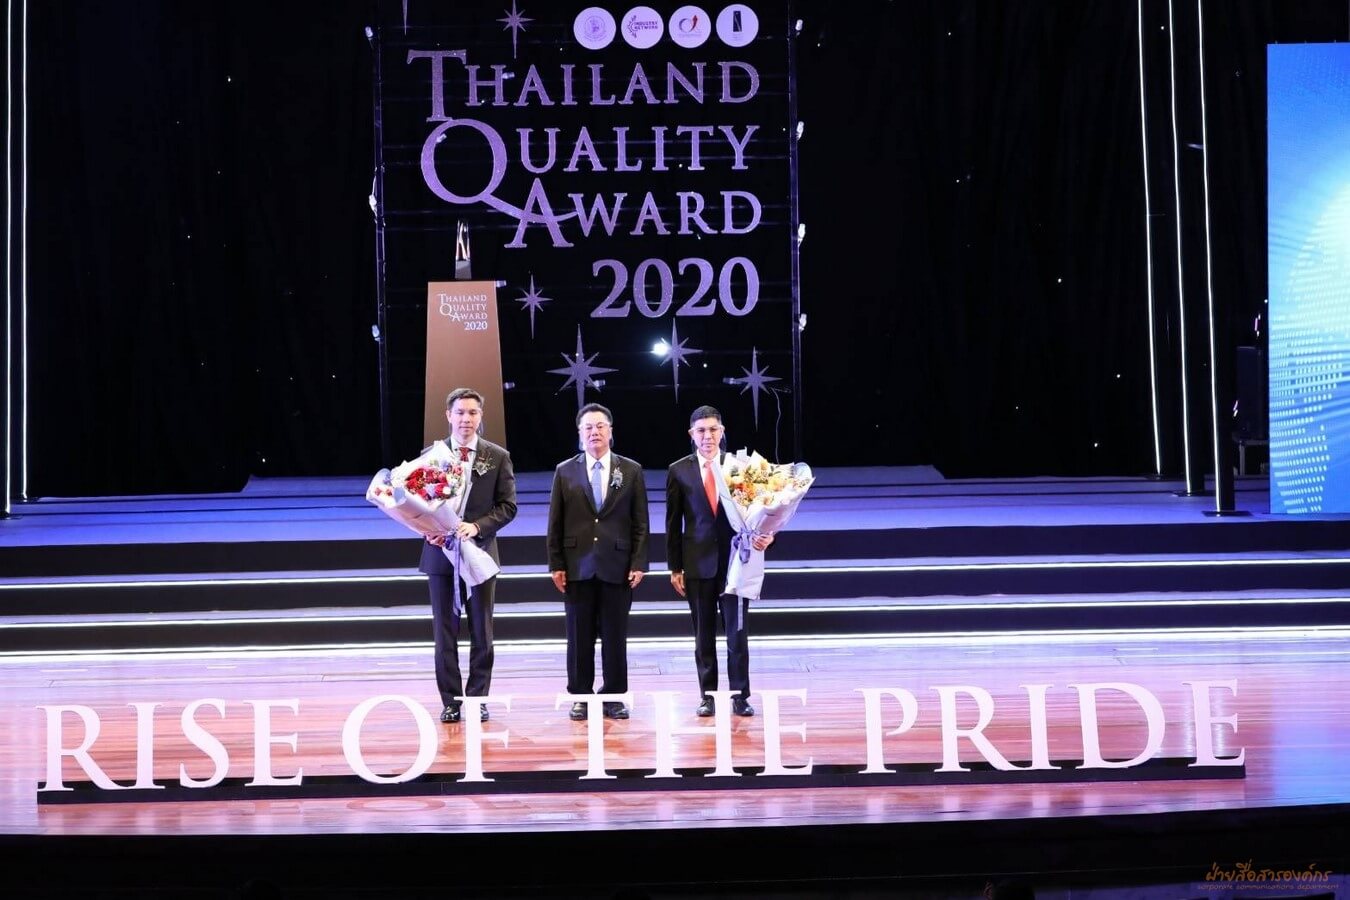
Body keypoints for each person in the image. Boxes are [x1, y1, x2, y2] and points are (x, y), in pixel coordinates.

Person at [665, 405, 772, 718]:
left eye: (713, 429)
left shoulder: (740, 467)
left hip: (735, 564)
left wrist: (767, 536)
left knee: (737, 634)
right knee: (703, 635)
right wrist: (675, 567)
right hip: (697, 565)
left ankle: (740, 695)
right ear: (691, 434)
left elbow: (761, 512)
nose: (707, 436)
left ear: (722, 431)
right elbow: (673, 523)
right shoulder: (679, 470)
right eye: (701, 430)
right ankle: (707, 695)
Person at [419, 388, 517, 724]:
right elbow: (418, 505)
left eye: (473, 412)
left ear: (480, 416)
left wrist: (476, 527)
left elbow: (508, 506)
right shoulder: (431, 456)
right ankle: (450, 701)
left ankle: (478, 699)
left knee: (482, 631)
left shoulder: (497, 456)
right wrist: (427, 529)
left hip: (480, 553)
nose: (466, 419)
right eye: (460, 412)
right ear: (448, 415)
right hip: (439, 555)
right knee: (444, 633)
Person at [547, 403, 649, 720]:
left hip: (617, 564)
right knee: (579, 637)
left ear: (610, 431)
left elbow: (640, 522)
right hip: (577, 565)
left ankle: (614, 697)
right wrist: (556, 564)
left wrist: (638, 562)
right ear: (580, 433)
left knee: (615, 636)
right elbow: (555, 522)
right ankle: (581, 696)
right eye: (588, 427)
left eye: (600, 426)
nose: (594, 432)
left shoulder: (630, 470)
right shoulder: (565, 470)